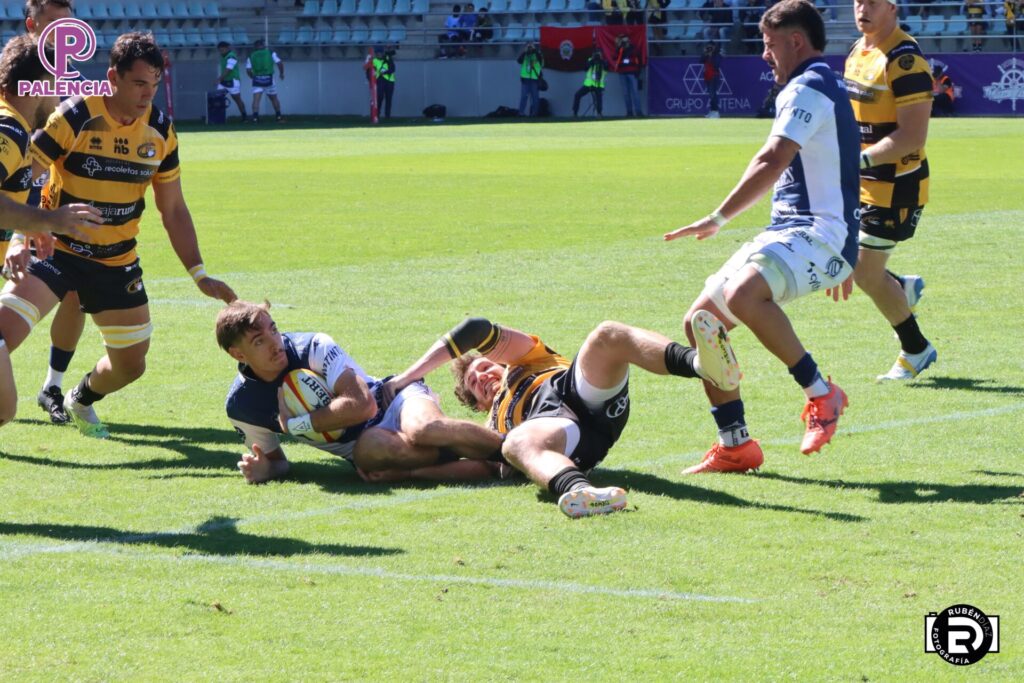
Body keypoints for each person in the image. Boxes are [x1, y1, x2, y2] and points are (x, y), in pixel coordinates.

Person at [664, 0, 860, 473]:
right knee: (701, 324)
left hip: (818, 232)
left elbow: (772, 160)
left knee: (744, 294)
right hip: (800, 233)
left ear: (796, 42)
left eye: (770, 45)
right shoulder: (821, 85)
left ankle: (822, 393)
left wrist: (717, 217)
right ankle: (735, 444)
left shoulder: (808, 86)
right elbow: (850, 165)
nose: (764, 55)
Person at [13, 32, 237, 439]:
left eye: (153, 85)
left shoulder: (161, 130)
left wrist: (199, 272)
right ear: (113, 77)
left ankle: (78, 398)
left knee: (132, 365)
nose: (147, 95)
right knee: (4, 332)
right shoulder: (76, 115)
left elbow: (174, 209)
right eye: (138, 84)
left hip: (116, 260)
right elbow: (28, 174)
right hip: (56, 251)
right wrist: (27, 230)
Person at [380, 313, 742, 517]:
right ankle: (584, 494)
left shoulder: (530, 358)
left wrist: (406, 378)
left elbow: (475, 329)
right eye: (475, 384)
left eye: (486, 367)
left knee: (607, 334)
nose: (484, 377)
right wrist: (409, 472)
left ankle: (701, 364)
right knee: (514, 444)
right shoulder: (492, 425)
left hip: (578, 390)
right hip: (559, 434)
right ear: (476, 405)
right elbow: (485, 468)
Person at [216, 301, 504, 484]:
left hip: (393, 401)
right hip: (365, 447)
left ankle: (511, 451)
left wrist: (297, 424)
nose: (275, 343)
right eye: (259, 341)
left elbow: (363, 405)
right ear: (237, 353)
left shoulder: (312, 346)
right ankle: (489, 463)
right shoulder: (242, 406)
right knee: (372, 449)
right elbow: (278, 462)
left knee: (422, 428)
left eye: (274, 330)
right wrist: (267, 469)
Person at [0, 34, 105, 428]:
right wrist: (51, 221)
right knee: (4, 408)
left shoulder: (14, 127)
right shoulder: (9, 130)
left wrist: (28, 228)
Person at [845, 0, 937, 381]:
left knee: (864, 275)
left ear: (892, 8)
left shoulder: (905, 60)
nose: (861, 8)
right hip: (861, 181)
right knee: (844, 256)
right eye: (857, 1)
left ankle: (915, 349)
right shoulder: (858, 49)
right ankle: (899, 285)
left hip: (896, 185)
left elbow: (912, 135)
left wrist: (859, 161)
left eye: (871, 2)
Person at [245, 37, 285, 124]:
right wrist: (281, 73)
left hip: (257, 79)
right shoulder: (270, 53)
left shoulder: (251, 55)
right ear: (263, 45)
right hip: (269, 78)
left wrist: (252, 77)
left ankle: (255, 118)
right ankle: (278, 117)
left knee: (256, 100)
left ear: (255, 47)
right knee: (274, 98)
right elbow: (279, 63)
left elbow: (248, 70)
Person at [215, 41, 248, 121]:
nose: (221, 52)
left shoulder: (231, 57)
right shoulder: (223, 56)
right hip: (224, 81)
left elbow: (228, 69)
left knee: (237, 99)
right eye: (220, 50)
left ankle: (244, 117)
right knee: (218, 98)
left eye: (222, 50)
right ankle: (219, 118)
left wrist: (219, 79)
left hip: (233, 81)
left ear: (227, 48)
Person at [613, 34, 643, 117]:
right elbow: (614, 58)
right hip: (622, 73)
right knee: (626, 93)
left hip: (632, 73)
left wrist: (638, 72)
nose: (625, 42)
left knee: (635, 93)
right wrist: (619, 47)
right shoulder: (620, 49)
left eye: (626, 40)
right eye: (623, 41)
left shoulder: (634, 48)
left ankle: (638, 112)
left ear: (629, 41)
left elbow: (639, 60)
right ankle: (629, 112)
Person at [572, 51, 607, 117]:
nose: (596, 57)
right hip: (588, 84)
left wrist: (601, 61)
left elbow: (606, 68)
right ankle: (575, 113)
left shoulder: (603, 62)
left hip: (598, 85)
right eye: (595, 55)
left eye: (598, 55)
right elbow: (585, 68)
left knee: (599, 97)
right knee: (577, 95)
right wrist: (592, 62)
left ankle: (599, 113)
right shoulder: (590, 60)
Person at [516, 42, 544, 117]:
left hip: (534, 79)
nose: (530, 49)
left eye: (531, 47)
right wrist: (525, 52)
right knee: (523, 97)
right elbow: (518, 60)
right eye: (529, 47)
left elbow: (542, 63)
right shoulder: (525, 55)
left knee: (535, 97)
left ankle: (535, 113)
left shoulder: (537, 55)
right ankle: (521, 113)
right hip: (525, 79)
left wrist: (536, 51)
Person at [372, 46, 396, 119]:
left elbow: (393, 69)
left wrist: (385, 72)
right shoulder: (374, 61)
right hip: (380, 80)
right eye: (377, 53)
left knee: (389, 99)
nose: (378, 54)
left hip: (389, 81)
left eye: (380, 52)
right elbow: (371, 71)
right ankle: (377, 114)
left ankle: (387, 116)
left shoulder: (388, 58)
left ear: (382, 53)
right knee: (379, 97)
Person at [702, 42, 723, 118]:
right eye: (708, 47)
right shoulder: (707, 54)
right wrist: (705, 53)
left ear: (714, 47)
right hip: (707, 76)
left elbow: (716, 65)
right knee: (711, 95)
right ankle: (712, 111)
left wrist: (711, 56)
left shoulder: (717, 55)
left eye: (711, 47)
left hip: (714, 76)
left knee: (713, 94)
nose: (710, 48)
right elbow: (700, 60)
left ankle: (716, 112)